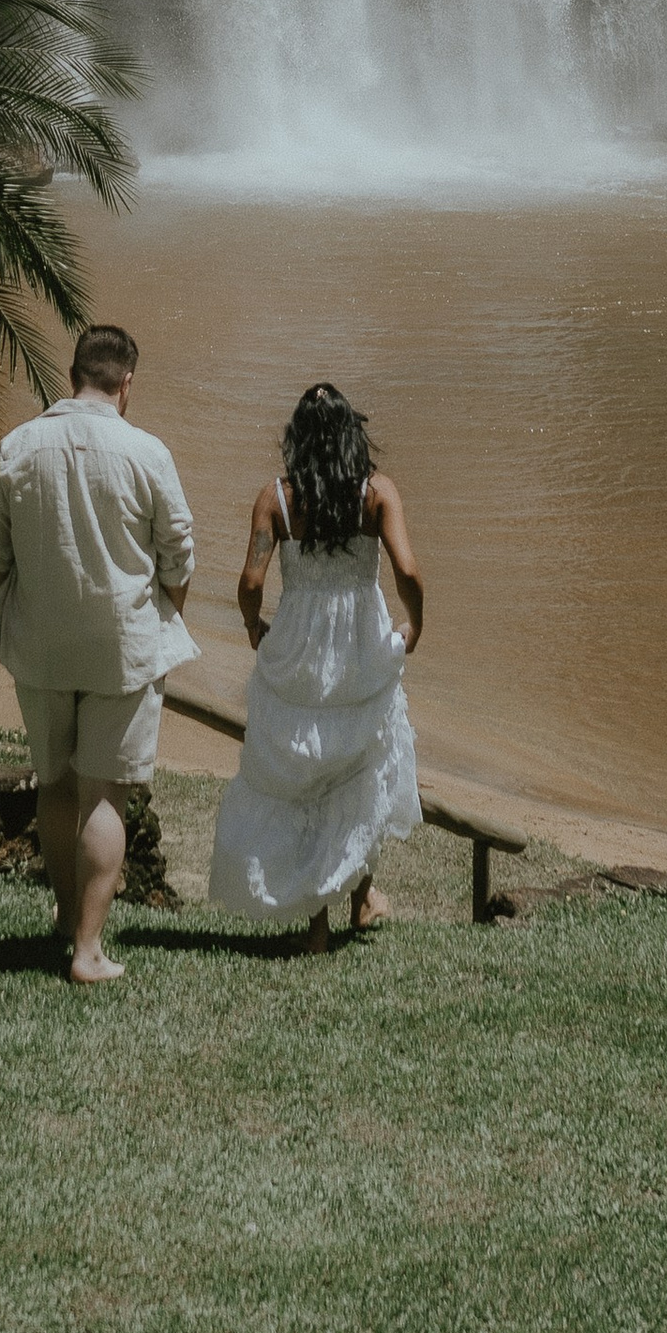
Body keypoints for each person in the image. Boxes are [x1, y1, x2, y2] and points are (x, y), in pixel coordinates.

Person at [0, 321, 198, 984]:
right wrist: (165, 615)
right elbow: (179, 555)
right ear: (126, 384)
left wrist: (40, 600)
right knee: (105, 794)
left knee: (55, 783)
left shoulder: (18, 446)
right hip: (123, 644)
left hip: (40, 643)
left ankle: (67, 914)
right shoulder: (146, 452)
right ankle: (88, 950)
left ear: (73, 374)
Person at [207, 380, 423, 954]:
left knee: (308, 771)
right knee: (362, 759)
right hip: (358, 645)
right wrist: (414, 624)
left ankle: (323, 920)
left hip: (301, 647)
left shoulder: (275, 499)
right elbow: (407, 570)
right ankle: (363, 899)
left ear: (296, 440)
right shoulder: (376, 494)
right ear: (354, 433)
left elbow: (251, 581)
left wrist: (256, 629)